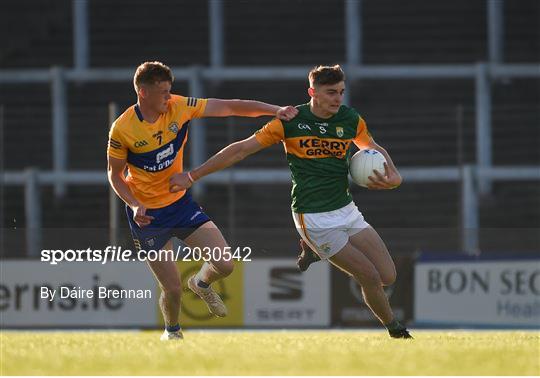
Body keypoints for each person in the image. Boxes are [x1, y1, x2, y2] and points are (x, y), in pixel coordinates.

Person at [169, 64, 413, 339]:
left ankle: (311, 250)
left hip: (347, 210)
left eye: (341, 92)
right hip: (314, 218)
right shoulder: (290, 121)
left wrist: (395, 176)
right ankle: (396, 330)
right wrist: (192, 175)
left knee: (388, 276)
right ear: (312, 92)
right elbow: (241, 149)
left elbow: (372, 148)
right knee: (368, 277)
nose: (337, 98)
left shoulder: (350, 119)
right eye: (331, 92)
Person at [107, 61, 298, 341]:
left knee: (226, 265)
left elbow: (231, 106)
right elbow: (115, 174)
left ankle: (200, 282)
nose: (168, 97)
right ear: (142, 92)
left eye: (170, 90)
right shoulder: (122, 128)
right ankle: (172, 333)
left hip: (180, 205)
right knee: (171, 289)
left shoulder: (179, 106)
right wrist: (135, 204)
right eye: (162, 92)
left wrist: (275, 110)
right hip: (148, 217)